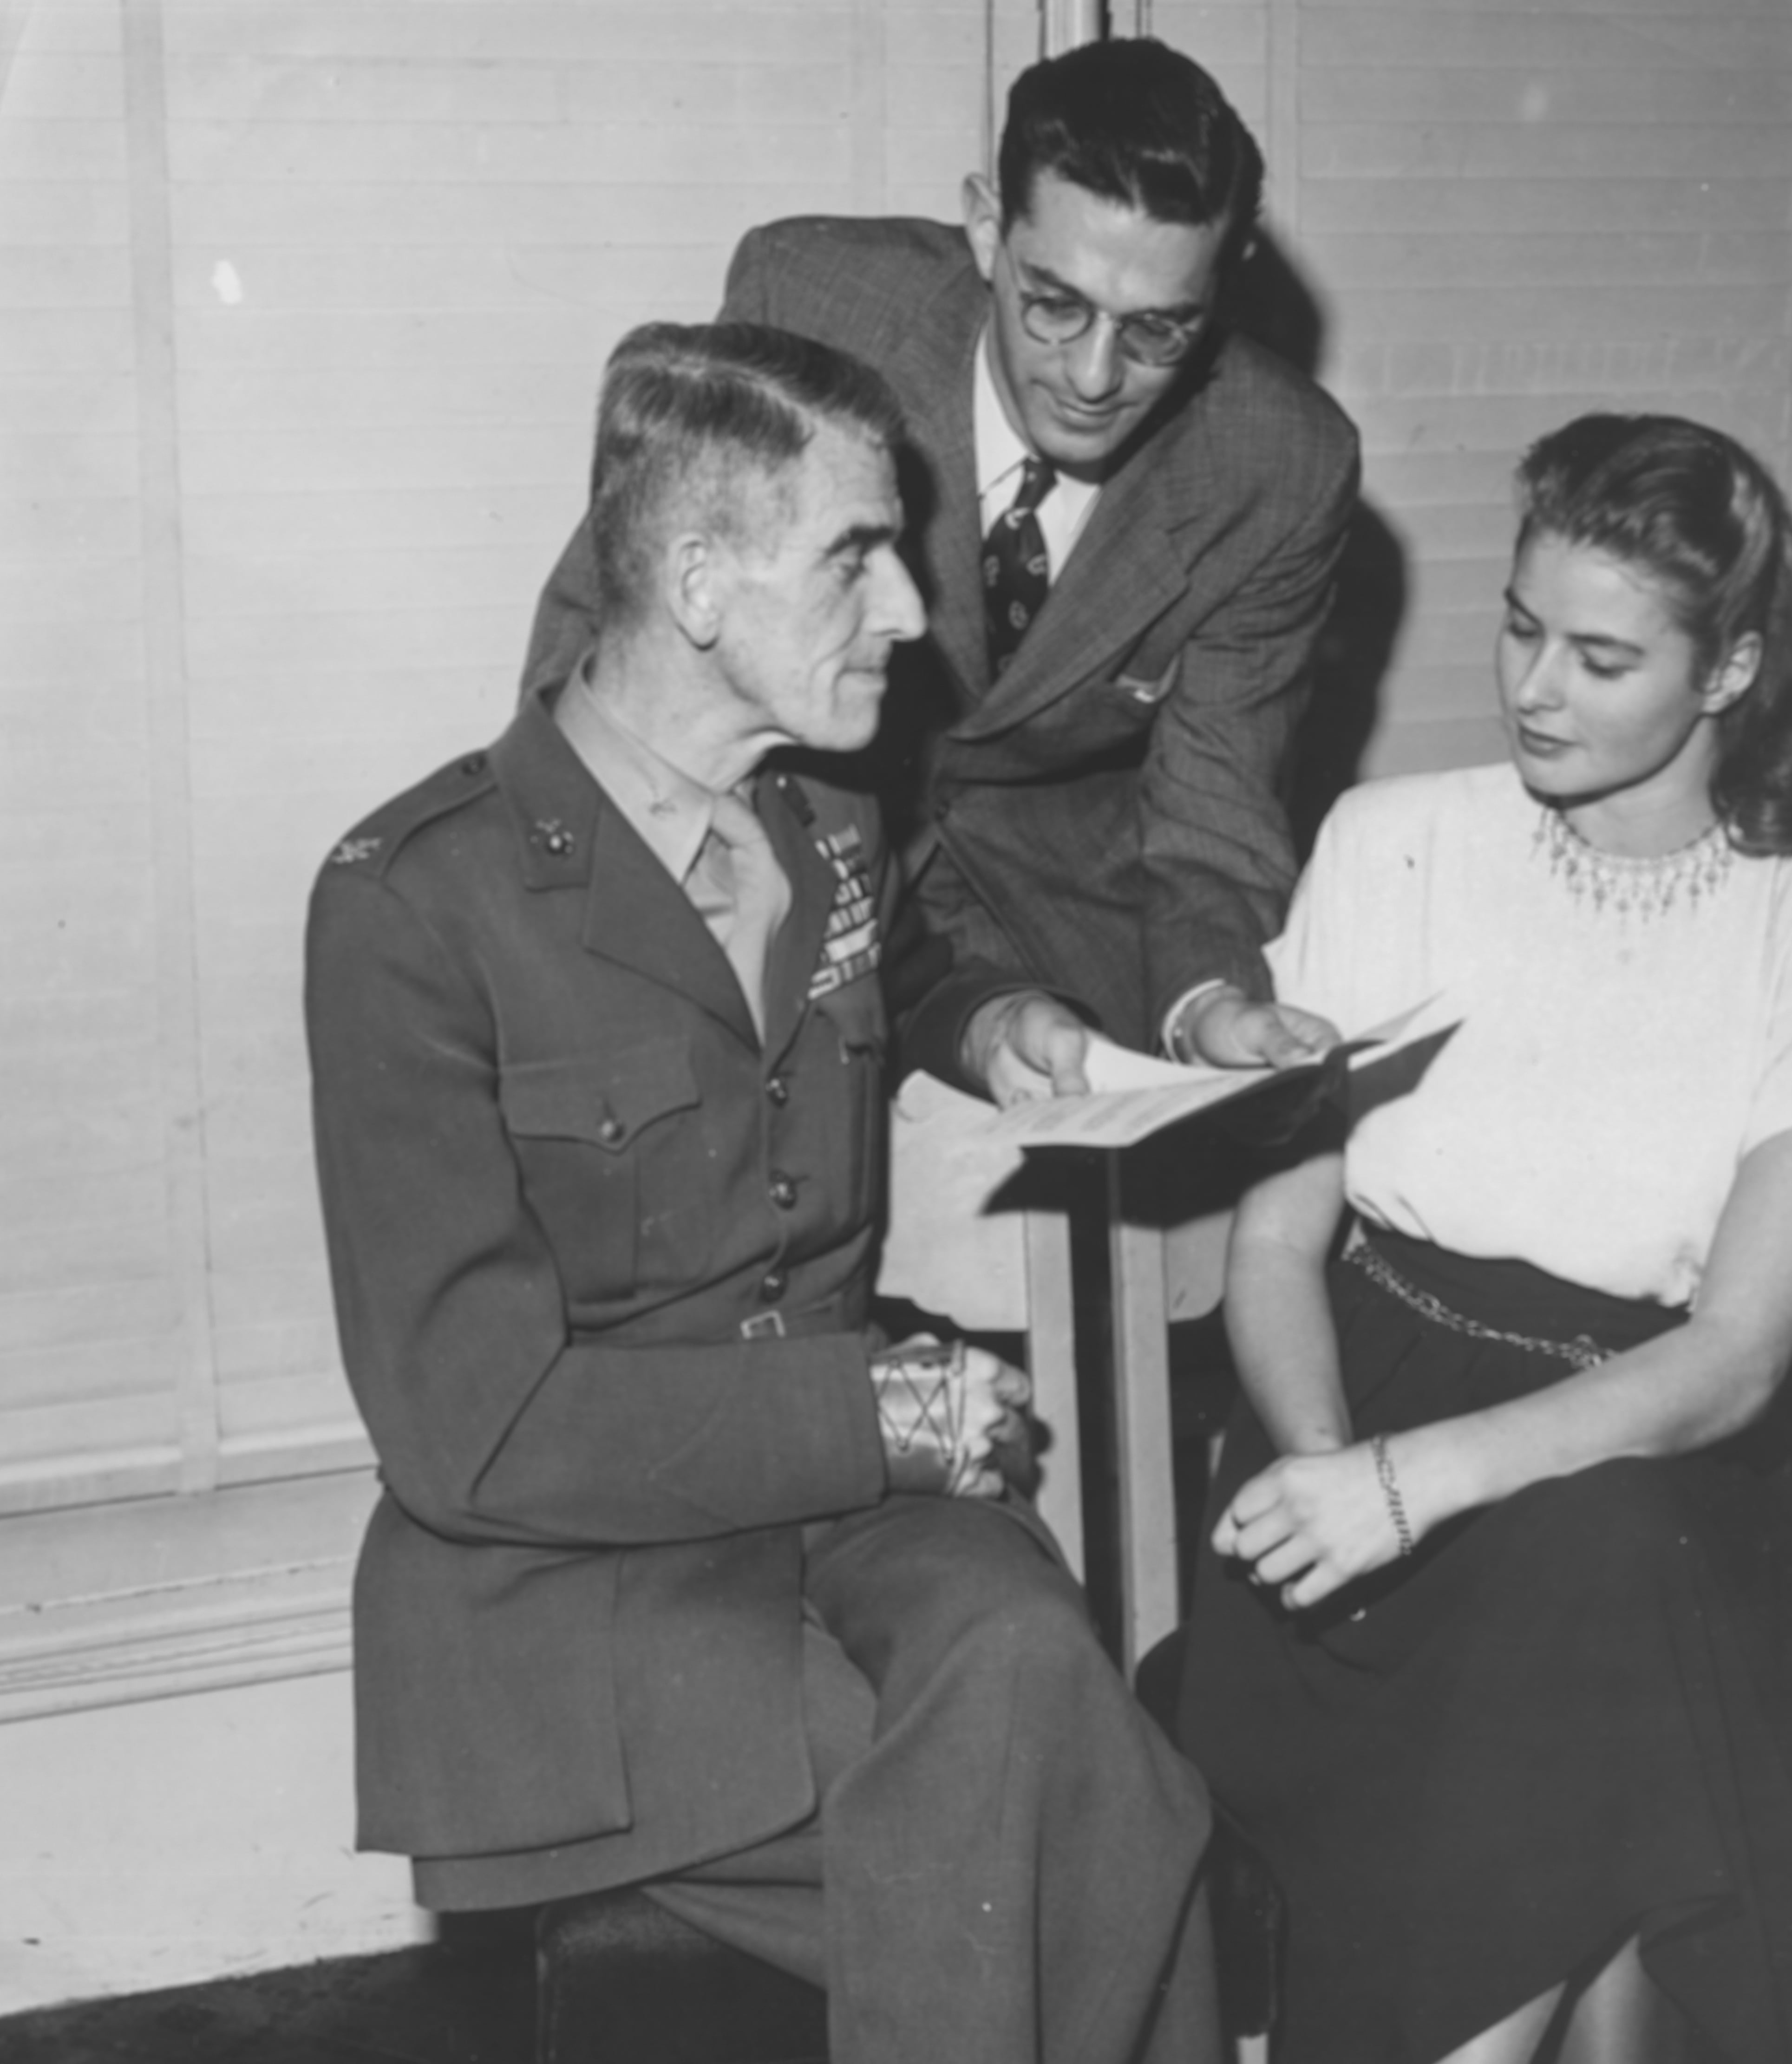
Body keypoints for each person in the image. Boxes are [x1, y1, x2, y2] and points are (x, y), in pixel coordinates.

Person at [306, 321, 1217, 2064]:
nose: (913, 612)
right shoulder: (416, 906)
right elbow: (469, 1434)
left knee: (1036, 1677)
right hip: (574, 1579)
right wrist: (873, 1413)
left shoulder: (824, 816)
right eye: (857, 557)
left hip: (850, 1519)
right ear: (701, 586)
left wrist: (992, 1019)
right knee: (1100, 1814)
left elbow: (891, 969)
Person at [1174, 415, 1792, 2064]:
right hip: (1340, 1415)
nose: (1534, 689)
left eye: (1601, 658)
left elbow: (1733, 1360)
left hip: (1646, 1461)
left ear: (1730, 668)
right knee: (1595, 1709)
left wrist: (1412, 1488)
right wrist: (1335, 1478)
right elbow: (1273, 1244)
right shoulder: (1392, 841)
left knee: (1607, 1568)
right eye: (1519, 626)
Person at [521, 36, 1360, 1074]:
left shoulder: (1281, 464)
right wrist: (580, 909)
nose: (1094, 377)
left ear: (1223, 289)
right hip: (796, 861)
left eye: (1158, 332)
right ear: (986, 229)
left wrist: (1209, 1008)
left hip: (1072, 933)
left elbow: (1216, 812)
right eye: (1056, 303)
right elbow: (610, 628)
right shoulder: (815, 305)